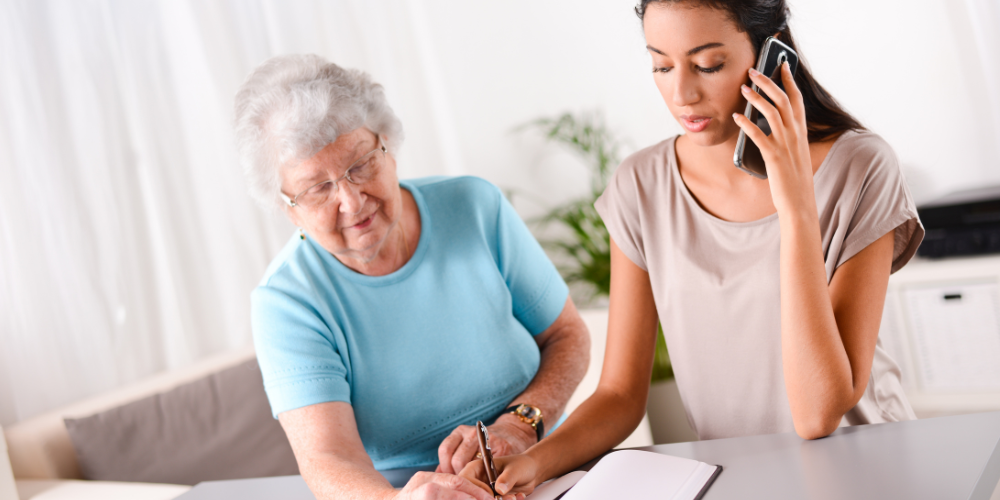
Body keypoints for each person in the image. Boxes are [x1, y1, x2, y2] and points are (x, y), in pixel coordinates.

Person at [461, 0, 924, 496]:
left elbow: (817, 413)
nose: (681, 93)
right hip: (744, 483)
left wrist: (795, 206)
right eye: (661, 65)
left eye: (708, 65)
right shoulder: (640, 187)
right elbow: (620, 394)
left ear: (774, 54)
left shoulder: (861, 167)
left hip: (868, 473)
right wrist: (533, 463)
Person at [234, 54, 590, 500]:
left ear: (388, 144)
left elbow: (567, 335)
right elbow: (328, 459)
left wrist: (519, 426)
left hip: (547, 469)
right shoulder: (286, 301)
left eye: (360, 164)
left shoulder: (475, 206)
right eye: (317, 188)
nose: (351, 200)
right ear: (288, 207)